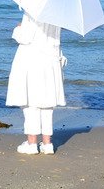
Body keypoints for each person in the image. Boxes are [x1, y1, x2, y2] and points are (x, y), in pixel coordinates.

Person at [5, 11, 65, 155]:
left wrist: (18, 27)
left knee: (30, 102)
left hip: (31, 59)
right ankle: (47, 143)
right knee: (47, 103)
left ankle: (32, 143)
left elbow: (25, 37)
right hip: (51, 59)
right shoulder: (59, 12)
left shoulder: (33, 10)